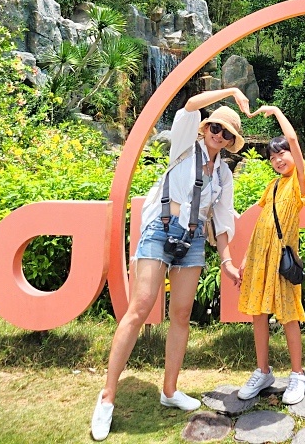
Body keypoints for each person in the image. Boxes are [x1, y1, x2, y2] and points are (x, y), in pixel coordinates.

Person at [91, 88, 249, 442]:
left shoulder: (223, 175)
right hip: (161, 229)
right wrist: (233, 91)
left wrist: (226, 261)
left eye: (226, 134)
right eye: (215, 128)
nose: (219, 136)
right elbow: (191, 104)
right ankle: (107, 398)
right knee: (140, 307)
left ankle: (170, 389)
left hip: (192, 240)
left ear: (230, 141)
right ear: (206, 127)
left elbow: (220, 222)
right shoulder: (182, 145)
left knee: (180, 314)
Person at [235, 105, 305, 406]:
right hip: (260, 259)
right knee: (258, 314)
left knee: (288, 316)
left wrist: (276, 111)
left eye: (281, 153)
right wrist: (245, 261)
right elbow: (261, 226)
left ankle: (298, 375)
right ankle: (263, 372)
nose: (277, 159)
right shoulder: (272, 186)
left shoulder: (301, 180)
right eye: (272, 157)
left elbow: (294, 142)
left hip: (282, 262)